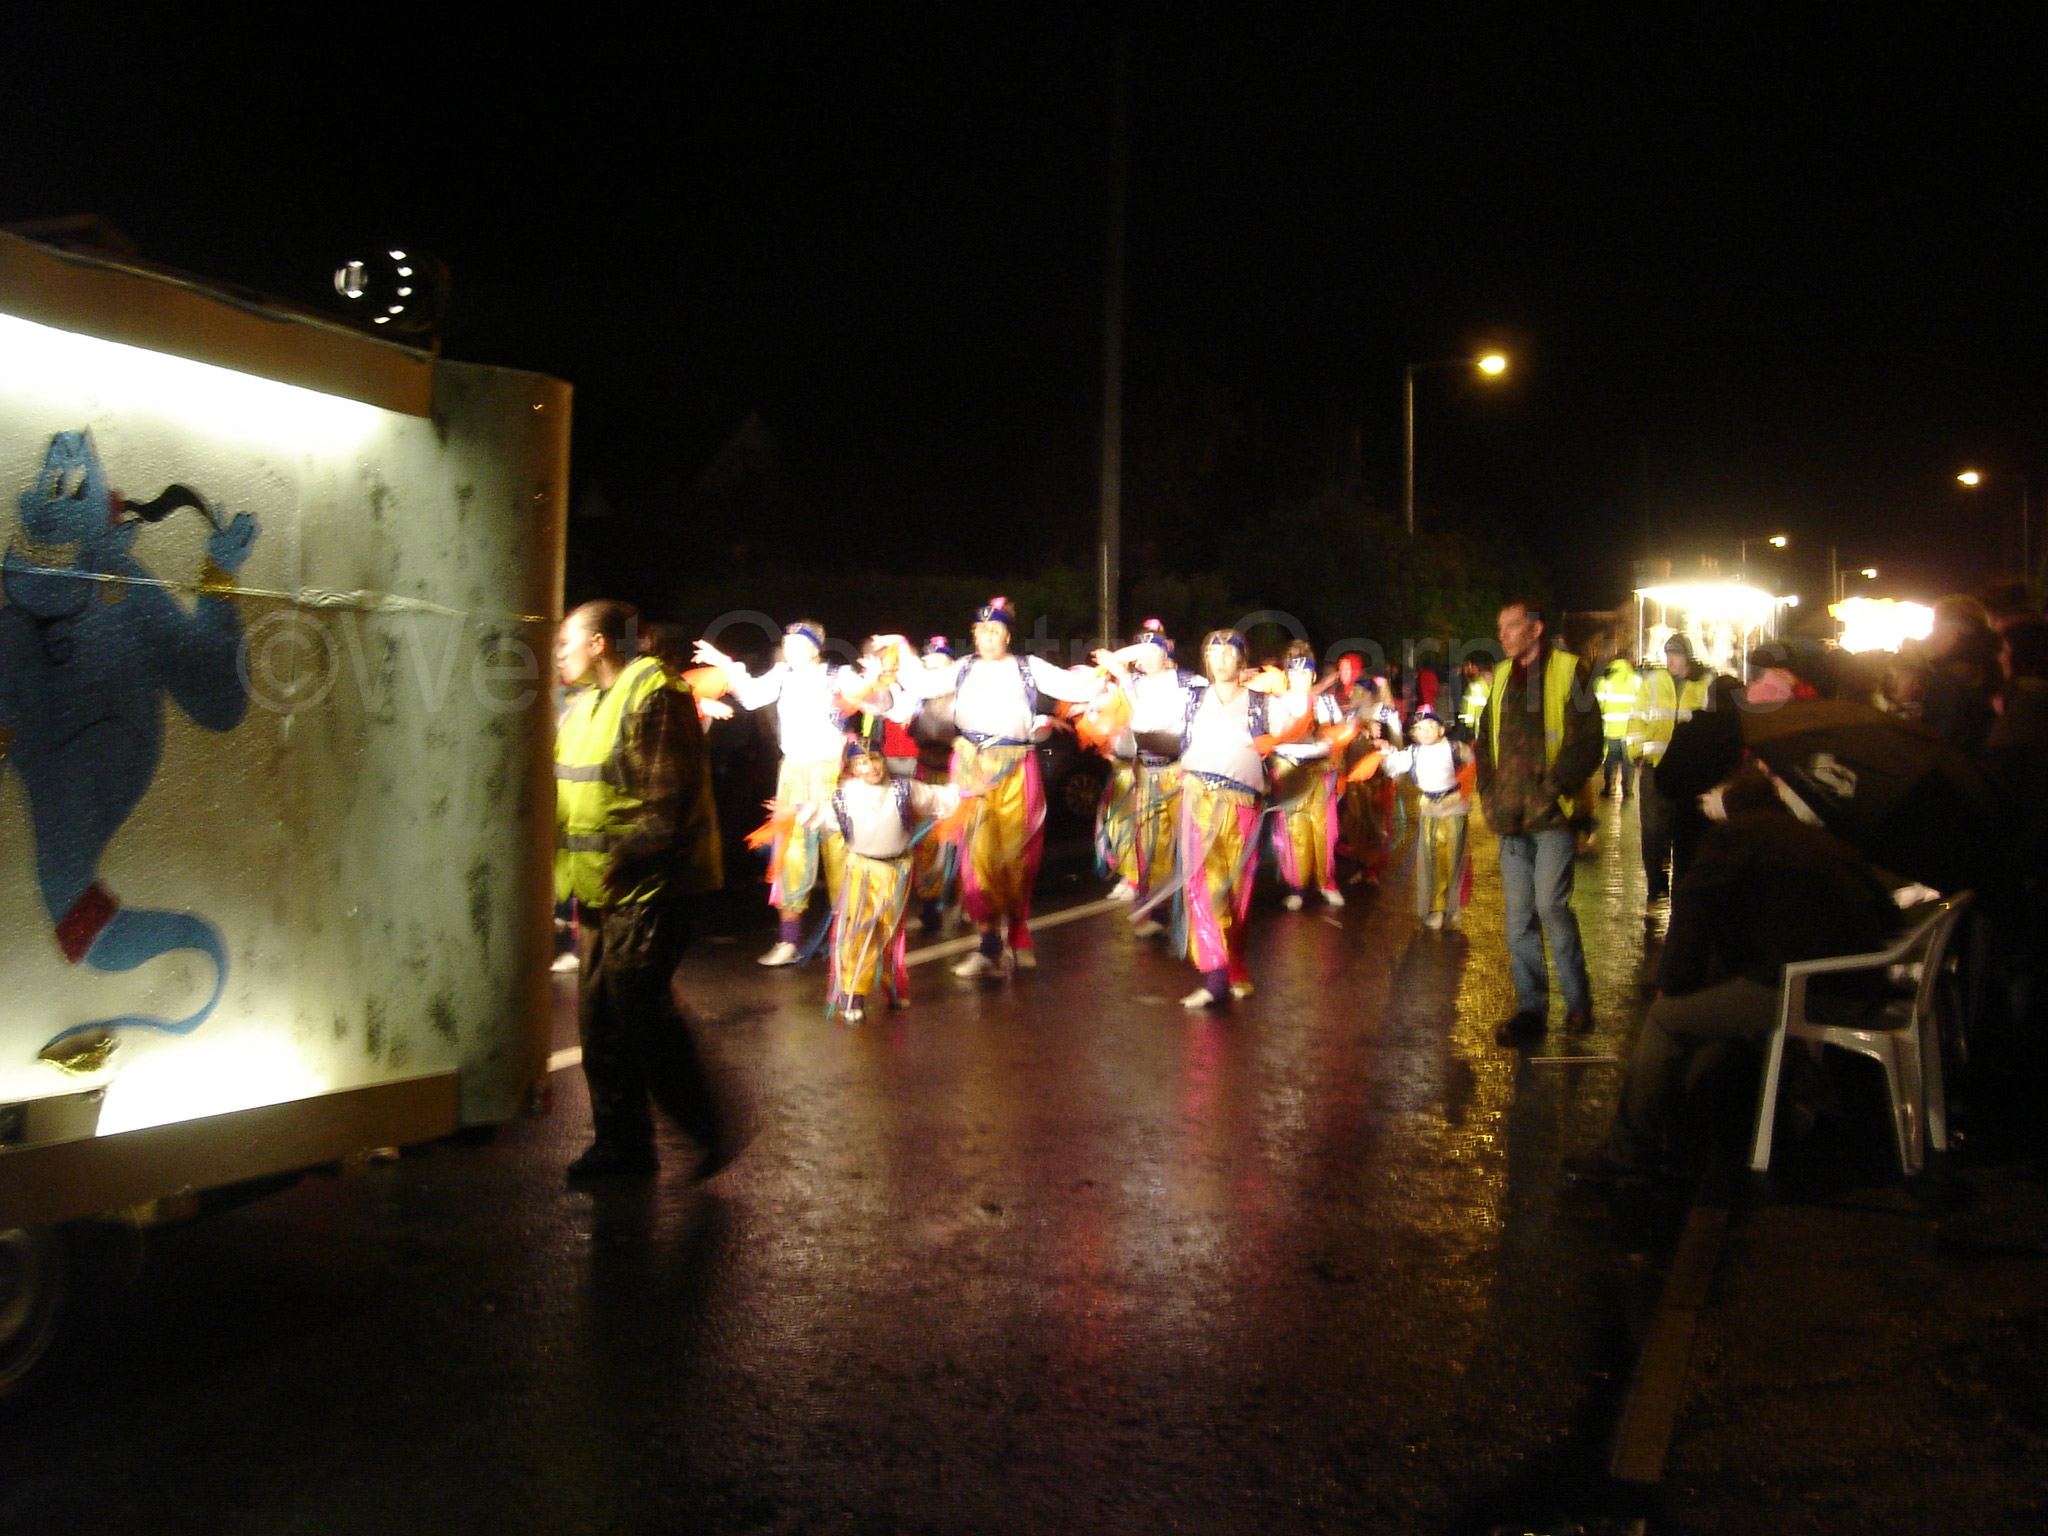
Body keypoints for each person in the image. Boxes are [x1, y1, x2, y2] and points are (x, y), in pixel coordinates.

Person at [1564, 763, 1901, 1187]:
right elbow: (1886, 915)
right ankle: (1693, 1130)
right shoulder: (1811, 837)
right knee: (1715, 1008)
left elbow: (1692, 915)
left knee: (1668, 1020)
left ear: (1725, 798)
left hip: (1811, 988)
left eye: (1707, 796)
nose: (1702, 805)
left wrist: (1673, 985)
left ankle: (1629, 1150)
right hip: (1860, 981)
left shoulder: (1732, 837)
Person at [554, 600, 730, 1181]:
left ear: (599, 643)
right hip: (599, 886)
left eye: (566, 641)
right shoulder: (584, 705)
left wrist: (635, 854)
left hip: (650, 885)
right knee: (600, 1016)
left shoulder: (654, 693)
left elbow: (665, 793)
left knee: (636, 1004)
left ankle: (702, 1127)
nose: (558, 654)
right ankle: (622, 1146)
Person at [889, 597, 1101, 977]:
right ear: (974, 636)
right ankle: (988, 946)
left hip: (1016, 767)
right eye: (981, 631)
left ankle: (1018, 933)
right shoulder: (962, 668)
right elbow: (920, 682)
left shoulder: (1027, 667)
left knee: (1018, 854)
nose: (987, 637)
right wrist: (903, 648)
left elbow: (1076, 687)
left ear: (1007, 635)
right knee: (977, 855)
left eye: (995, 630)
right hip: (971, 766)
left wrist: (1113, 669)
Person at [1475, 600, 1602, 1043]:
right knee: (1519, 919)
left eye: (1511, 626)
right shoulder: (1502, 677)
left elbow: (1588, 741)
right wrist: (1488, 794)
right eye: (1500, 627)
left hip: (1552, 816)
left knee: (1550, 906)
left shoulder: (1569, 671)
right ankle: (1531, 1009)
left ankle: (1578, 1003)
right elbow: (1484, 741)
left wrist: (1553, 790)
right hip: (1510, 818)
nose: (1503, 635)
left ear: (1535, 629)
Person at [694, 620, 854, 966]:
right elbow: (751, 697)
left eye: (797, 644)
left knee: (840, 852)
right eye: (787, 643)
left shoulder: (838, 675)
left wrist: (880, 680)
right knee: (789, 853)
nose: (789, 650)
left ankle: (848, 937)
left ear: (816, 647)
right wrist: (724, 663)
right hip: (794, 772)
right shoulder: (782, 674)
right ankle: (789, 940)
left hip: (831, 772)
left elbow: (880, 702)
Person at [785, 741, 962, 1024]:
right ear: (852, 769)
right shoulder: (844, 797)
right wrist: (794, 811)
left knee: (891, 935)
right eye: (861, 763)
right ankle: (853, 994)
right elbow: (821, 816)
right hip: (863, 873)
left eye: (875, 759)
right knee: (860, 933)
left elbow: (937, 797)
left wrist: (967, 792)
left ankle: (893, 988)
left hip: (897, 872)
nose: (870, 767)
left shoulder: (904, 789)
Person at [1161, 629, 1279, 1008]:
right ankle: (1214, 975)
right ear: (1206, 660)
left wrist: (1284, 687)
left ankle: (1235, 963)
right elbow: (1148, 714)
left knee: (1237, 889)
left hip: (1243, 804)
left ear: (1242, 660)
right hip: (1199, 801)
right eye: (1214, 653)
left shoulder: (1262, 702)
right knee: (1203, 884)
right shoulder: (1192, 697)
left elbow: (1298, 725)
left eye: (1229, 653)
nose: (1221, 659)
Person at [1094, 621, 1204, 935]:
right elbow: (1111, 719)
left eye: (1150, 650)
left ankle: (1196, 910)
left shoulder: (1189, 682)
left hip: (1181, 773)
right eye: (1138, 652)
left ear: (1165, 651)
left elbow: (1152, 722)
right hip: (1145, 774)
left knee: (1190, 842)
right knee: (1152, 844)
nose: (1143, 658)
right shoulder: (1130, 684)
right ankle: (1157, 911)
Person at [1631, 634, 1713, 908]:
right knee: (1653, 830)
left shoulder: (1704, 684)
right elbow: (1636, 718)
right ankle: (1656, 886)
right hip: (1655, 767)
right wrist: (1637, 752)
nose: (1669, 661)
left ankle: (1682, 889)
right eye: (1667, 655)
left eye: (1675, 655)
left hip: (1689, 772)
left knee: (1684, 832)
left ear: (1687, 657)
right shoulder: (1653, 682)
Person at [1267, 640, 1348, 911]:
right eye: (1294, 672)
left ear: (1313, 676)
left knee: (1325, 829)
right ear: (1287, 675)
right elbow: (1273, 734)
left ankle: (1327, 882)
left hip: (1320, 771)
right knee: (1293, 829)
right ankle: (1296, 886)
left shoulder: (1326, 702)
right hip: (1289, 769)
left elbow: (1337, 735)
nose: (1299, 678)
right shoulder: (1277, 702)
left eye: (1305, 673)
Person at [1380, 706, 1472, 929]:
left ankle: (1454, 906)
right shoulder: (1413, 753)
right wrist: (1387, 752)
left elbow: (1473, 763)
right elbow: (1394, 766)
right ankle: (1437, 908)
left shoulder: (1454, 748)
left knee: (1454, 858)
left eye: (1431, 726)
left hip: (1454, 808)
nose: (1426, 732)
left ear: (1441, 730)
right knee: (1433, 859)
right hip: (1430, 809)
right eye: (1420, 728)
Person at [1595, 651, 1640, 797]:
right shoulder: (1637, 681)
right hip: (1630, 730)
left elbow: (1599, 707)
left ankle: (1609, 787)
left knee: (1611, 760)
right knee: (1628, 760)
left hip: (1611, 728)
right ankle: (1627, 790)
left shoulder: (1604, 682)